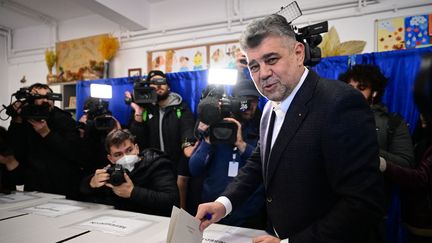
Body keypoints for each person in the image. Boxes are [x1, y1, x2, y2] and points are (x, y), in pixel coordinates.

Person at [195, 14, 384, 243]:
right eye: (254, 66)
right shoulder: (269, 108)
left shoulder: (340, 102)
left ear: (298, 53)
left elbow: (363, 203)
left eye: (271, 59)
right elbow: (260, 163)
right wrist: (223, 204)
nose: (263, 73)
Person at [339, 64, 415, 242]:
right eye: (350, 88)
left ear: (374, 92)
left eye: (362, 87)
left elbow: (406, 164)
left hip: (372, 213)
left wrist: (369, 151)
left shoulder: (393, 123)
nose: (354, 92)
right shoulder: (332, 117)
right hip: (333, 211)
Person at [189, 78, 265, 228]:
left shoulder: (264, 127)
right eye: (245, 102)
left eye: (254, 101)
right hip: (214, 211)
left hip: (250, 213)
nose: (249, 106)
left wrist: (241, 144)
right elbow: (194, 169)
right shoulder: (217, 124)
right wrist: (208, 140)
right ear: (235, 101)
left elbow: (265, 167)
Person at [379, 53, 432, 243]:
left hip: (424, 223)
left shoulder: (393, 122)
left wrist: (384, 164)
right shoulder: (421, 135)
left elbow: (420, 176)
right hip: (413, 219)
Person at [127, 70, 196, 210]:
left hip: (178, 165)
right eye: (153, 83)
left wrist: (187, 145)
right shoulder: (145, 110)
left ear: (168, 86)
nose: (158, 86)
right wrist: (138, 113)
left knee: (180, 204)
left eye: (161, 82)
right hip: (154, 168)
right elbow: (137, 142)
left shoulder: (181, 107)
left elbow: (187, 129)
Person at [6, 83, 82, 199]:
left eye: (48, 96)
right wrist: (17, 120)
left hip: (64, 187)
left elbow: (74, 153)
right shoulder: (23, 119)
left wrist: (47, 134)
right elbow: (16, 152)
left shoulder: (64, 119)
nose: (45, 100)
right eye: (39, 97)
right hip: (34, 188)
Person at [80, 129, 179, 216]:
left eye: (129, 150)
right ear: (111, 158)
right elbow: (81, 190)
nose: (126, 157)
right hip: (122, 221)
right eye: (118, 154)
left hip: (155, 221)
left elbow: (172, 200)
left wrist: (133, 192)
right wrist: (91, 182)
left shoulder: (156, 164)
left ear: (137, 148)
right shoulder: (113, 171)